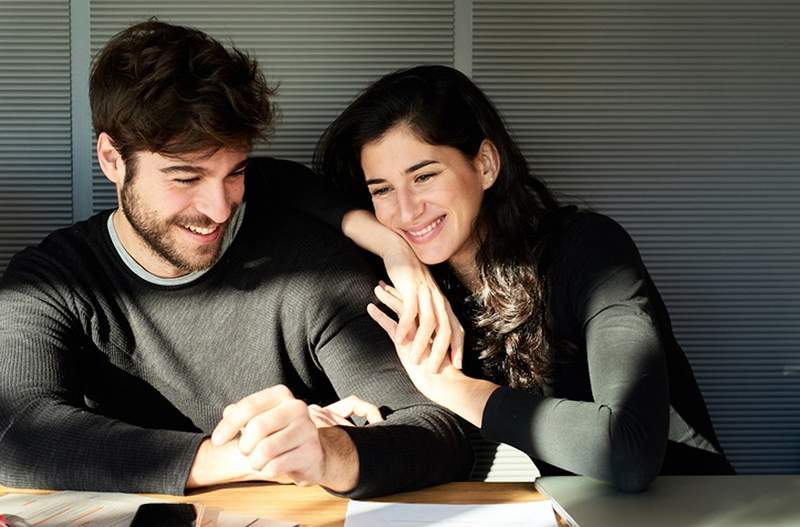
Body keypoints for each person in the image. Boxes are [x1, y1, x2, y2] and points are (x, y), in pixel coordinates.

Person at [0, 22, 473, 498]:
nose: (219, 207)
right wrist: (241, 456)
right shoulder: (51, 280)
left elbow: (435, 430)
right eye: (185, 178)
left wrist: (330, 452)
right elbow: (13, 428)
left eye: (235, 172)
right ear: (112, 160)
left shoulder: (308, 268)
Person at [314, 64, 735, 492]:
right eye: (382, 189)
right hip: (571, 511)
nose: (405, 212)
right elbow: (277, 184)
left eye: (424, 176)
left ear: (485, 165)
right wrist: (393, 248)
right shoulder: (424, 289)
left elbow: (628, 451)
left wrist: (452, 388)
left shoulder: (589, 251)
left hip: (693, 502)